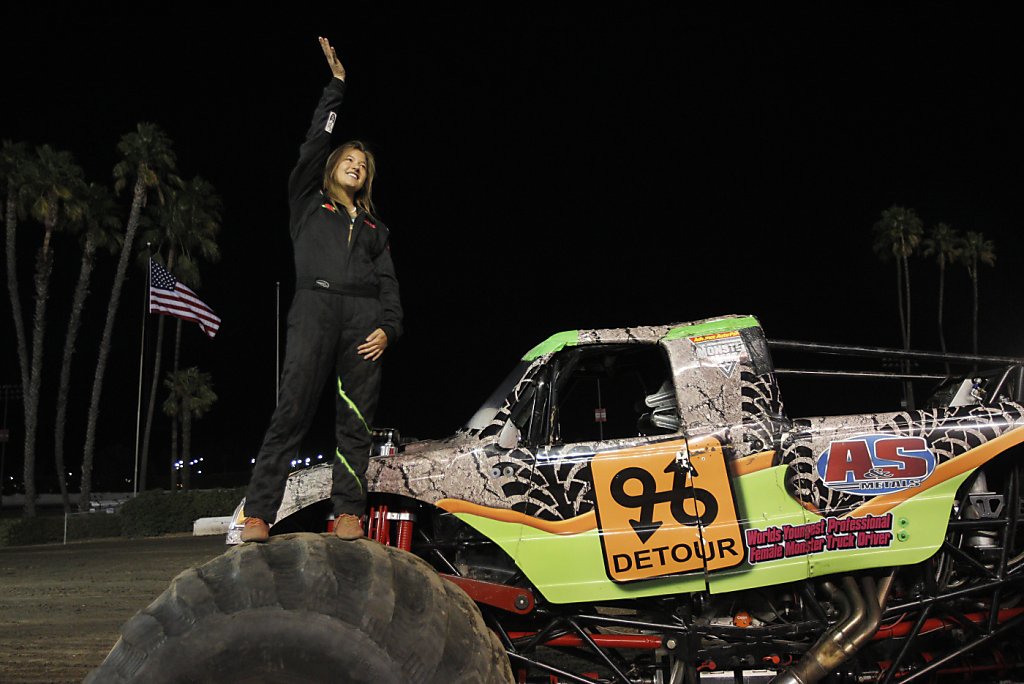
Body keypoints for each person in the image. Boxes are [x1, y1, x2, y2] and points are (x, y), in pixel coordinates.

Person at [241, 37, 403, 543]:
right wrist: (336, 89)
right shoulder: (309, 204)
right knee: (291, 409)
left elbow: (390, 285)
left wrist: (388, 328)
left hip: (363, 319)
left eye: (363, 163)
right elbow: (313, 143)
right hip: (314, 308)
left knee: (355, 422)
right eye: (348, 158)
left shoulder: (376, 228)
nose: (356, 163)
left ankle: (348, 513)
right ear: (333, 167)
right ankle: (258, 514)